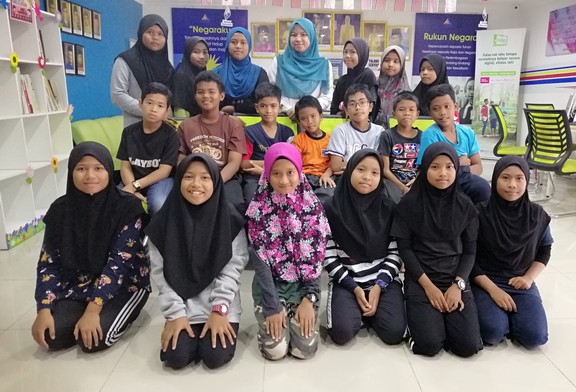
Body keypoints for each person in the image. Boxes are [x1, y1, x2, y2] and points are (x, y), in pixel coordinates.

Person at [31, 142, 150, 353]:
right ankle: (81, 314)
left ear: (108, 170)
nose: (90, 175)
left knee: (95, 340)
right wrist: (44, 307)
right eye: (81, 168)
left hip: (125, 285)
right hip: (78, 283)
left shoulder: (127, 206)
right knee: (51, 337)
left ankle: (121, 313)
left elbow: (119, 264)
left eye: (98, 168)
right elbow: (48, 263)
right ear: (71, 172)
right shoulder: (60, 210)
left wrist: (93, 310)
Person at [147, 154, 248, 369]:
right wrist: (175, 314)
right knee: (176, 357)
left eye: (204, 177)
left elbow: (232, 269)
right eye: (188, 177)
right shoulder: (163, 222)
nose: (196, 184)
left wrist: (219, 310)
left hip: (220, 303)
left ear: (216, 181)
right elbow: (160, 273)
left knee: (215, 356)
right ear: (179, 180)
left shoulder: (229, 218)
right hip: (182, 305)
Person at [392, 142, 482, 358]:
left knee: (468, 346)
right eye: (435, 167)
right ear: (424, 169)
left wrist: (458, 285)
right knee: (430, 344)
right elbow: (405, 249)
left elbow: (470, 251)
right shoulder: (408, 204)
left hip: (455, 278)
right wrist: (428, 287)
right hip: (421, 278)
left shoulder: (465, 206)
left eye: (449, 167)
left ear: (456, 169)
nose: (443, 173)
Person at [246, 143, 330, 360]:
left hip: (303, 287)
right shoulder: (258, 210)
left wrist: (309, 299)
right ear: (267, 174)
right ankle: (280, 314)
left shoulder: (313, 208)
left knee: (304, 350)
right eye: (276, 173)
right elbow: (261, 265)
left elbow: (316, 259)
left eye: (290, 172)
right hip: (271, 287)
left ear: (299, 171)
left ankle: (295, 312)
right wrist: (272, 307)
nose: (284, 180)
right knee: (276, 351)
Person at [324, 149, 406, 346]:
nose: (367, 177)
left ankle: (369, 308)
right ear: (350, 170)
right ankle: (358, 306)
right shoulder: (331, 209)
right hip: (347, 281)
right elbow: (328, 255)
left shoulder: (388, 208)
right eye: (361, 169)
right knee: (342, 333)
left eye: (375, 172)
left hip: (383, 281)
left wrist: (379, 285)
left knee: (394, 333)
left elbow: (395, 253)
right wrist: (354, 288)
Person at [472, 156, 552, 349]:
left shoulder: (537, 214)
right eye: (505, 178)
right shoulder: (479, 213)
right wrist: (493, 290)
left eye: (519, 178)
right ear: (495, 179)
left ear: (526, 180)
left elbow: (545, 249)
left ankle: (515, 320)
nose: (512, 185)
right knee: (492, 332)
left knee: (535, 338)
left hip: (520, 281)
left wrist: (528, 278)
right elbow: (468, 257)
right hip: (485, 280)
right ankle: (503, 320)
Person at [178, 71, 246, 213]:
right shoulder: (186, 126)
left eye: (211, 92)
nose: (206, 96)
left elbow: (234, 163)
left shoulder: (233, 124)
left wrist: (212, 183)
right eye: (200, 92)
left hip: (224, 178)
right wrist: (192, 180)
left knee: (233, 206)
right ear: (195, 96)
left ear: (221, 96)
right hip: (194, 178)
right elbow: (181, 159)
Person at [417, 84, 490, 204]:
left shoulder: (468, 133)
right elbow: (428, 171)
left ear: (455, 106)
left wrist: (460, 169)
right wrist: (459, 163)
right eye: (436, 109)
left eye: (447, 106)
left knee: (483, 189)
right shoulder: (430, 135)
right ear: (430, 112)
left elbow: (478, 167)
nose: (443, 112)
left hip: (464, 180)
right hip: (440, 184)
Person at [117, 82, 179, 215]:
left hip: (160, 181)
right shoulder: (128, 132)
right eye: (149, 103)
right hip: (133, 179)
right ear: (141, 103)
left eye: (160, 105)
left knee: (158, 204)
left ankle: (154, 229)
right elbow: (125, 166)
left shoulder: (171, 135)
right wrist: (132, 188)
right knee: (117, 201)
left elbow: (164, 171)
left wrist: (135, 186)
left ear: (167, 110)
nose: (154, 109)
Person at [111, 14, 174, 127]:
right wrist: (148, 110)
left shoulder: (168, 68)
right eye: (150, 32)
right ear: (141, 33)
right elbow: (117, 94)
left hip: (165, 128)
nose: (155, 37)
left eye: (160, 34)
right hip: (136, 126)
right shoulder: (126, 60)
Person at [241, 82, 295, 205]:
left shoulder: (287, 132)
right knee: (253, 202)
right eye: (263, 106)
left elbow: (290, 163)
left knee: (289, 202)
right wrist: (275, 165)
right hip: (254, 178)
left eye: (273, 106)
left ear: (280, 107)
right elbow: (244, 164)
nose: (268, 110)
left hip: (282, 177)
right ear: (257, 108)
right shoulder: (249, 132)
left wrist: (263, 167)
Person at [268, 18, 334, 115]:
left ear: (312, 37)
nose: (298, 39)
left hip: (312, 119)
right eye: (293, 35)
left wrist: (304, 110)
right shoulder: (278, 62)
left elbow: (327, 96)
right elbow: (271, 93)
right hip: (284, 117)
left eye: (303, 34)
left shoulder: (324, 65)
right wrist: (288, 109)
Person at [327, 84, 384, 176]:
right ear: (346, 110)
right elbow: (336, 165)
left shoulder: (380, 131)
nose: (358, 107)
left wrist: (352, 167)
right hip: (346, 178)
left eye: (362, 102)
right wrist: (366, 168)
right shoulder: (340, 131)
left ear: (370, 107)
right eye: (352, 104)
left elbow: (381, 165)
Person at [214, 27, 269, 115]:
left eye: (243, 43)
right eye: (234, 42)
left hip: (252, 122)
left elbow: (264, 103)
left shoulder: (259, 74)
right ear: (227, 44)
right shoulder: (215, 74)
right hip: (220, 120)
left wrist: (234, 108)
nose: (238, 46)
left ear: (249, 46)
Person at [378, 92, 421, 201]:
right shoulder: (387, 135)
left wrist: (417, 180)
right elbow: (385, 170)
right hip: (391, 183)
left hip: (416, 182)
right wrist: (402, 187)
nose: (407, 113)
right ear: (394, 114)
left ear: (417, 114)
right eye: (402, 109)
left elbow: (424, 166)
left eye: (411, 110)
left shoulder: (423, 136)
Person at [292, 95, 336, 203]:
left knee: (328, 197)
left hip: (324, 176)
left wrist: (326, 175)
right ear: (299, 121)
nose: (309, 121)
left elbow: (334, 163)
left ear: (321, 116)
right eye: (304, 118)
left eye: (313, 116)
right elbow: (294, 163)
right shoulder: (298, 140)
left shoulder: (330, 139)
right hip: (304, 177)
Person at [330, 38, 377, 116]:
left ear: (361, 54)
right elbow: (333, 110)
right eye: (345, 52)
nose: (347, 56)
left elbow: (372, 106)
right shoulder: (342, 81)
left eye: (352, 52)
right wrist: (342, 113)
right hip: (344, 123)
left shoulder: (368, 75)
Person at [172, 36, 210, 117]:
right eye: (196, 52)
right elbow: (179, 107)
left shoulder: (203, 74)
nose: (202, 56)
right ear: (188, 53)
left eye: (205, 52)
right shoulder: (181, 75)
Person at [375, 46, 411, 128]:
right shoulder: (374, 85)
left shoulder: (406, 91)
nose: (391, 65)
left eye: (395, 61)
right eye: (387, 60)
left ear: (402, 65)